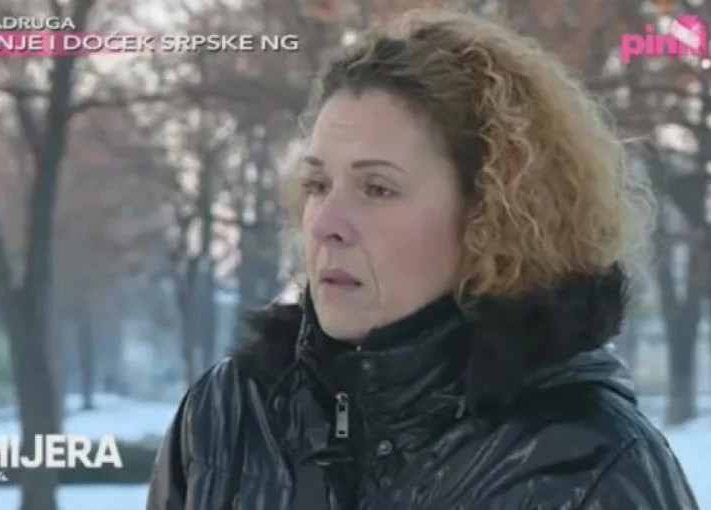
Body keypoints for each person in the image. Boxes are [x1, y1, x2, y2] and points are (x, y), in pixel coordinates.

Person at [146, 9, 699, 509]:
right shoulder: (228, 419)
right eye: (317, 184)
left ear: (489, 217)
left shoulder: (595, 469)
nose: (324, 223)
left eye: (377, 188)